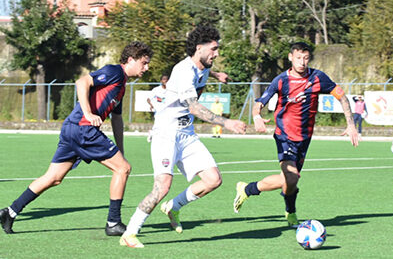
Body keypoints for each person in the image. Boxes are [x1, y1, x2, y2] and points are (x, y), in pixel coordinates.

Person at [0, 41, 153, 235]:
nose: (146, 68)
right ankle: (113, 223)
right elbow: (82, 82)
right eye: (144, 63)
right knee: (123, 169)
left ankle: (10, 212)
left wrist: (120, 149)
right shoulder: (115, 72)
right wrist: (88, 114)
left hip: (72, 129)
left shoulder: (121, 85)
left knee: (53, 178)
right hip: (83, 129)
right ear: (131, 60)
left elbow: (117, 119)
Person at [120, 24, 246, 248]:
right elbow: (194, 107)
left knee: (213, 180)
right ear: (199, 48)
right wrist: (227, 122)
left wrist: (217, 74)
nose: (217, 54)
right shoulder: (183, 71)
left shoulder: (204, 67)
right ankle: (129, 233)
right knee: (162, 186)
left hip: (187, 134)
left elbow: (205, 72)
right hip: (166, 134)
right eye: (214, 49)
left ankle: (173, 207)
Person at [233, 42, 358, 228]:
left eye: (306, 58)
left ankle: (252, 191)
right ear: (291, 57)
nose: (302, 62)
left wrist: (351, 125)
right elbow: (260, 102)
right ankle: (279, 206)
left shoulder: (318, 77)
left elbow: (341, 95)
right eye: (298, 58)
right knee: (291, 178)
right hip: (284, 136)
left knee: (290, 183)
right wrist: (256, 116)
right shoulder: (281, 80)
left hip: (304, 139)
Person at [146, 74, 169, 142]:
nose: (165, 81)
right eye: (164, 79)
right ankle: (152, 133)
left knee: (166, 125)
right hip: (159, 110)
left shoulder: (171, 90)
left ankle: (153, 133)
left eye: (167, 80)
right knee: (158, 124)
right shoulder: (156, 90)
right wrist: (151, 105)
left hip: (168, 111)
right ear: (161, 81)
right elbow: (148, 99)